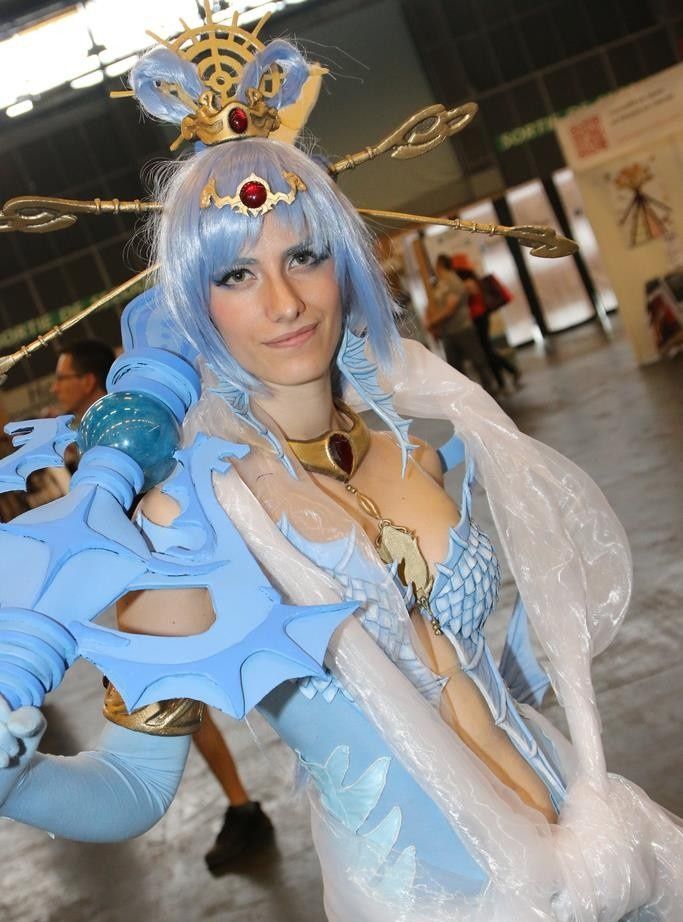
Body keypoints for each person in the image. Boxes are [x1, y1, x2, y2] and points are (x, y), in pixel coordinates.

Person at [0, 32, 680, 922]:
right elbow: (130, 787)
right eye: (237, 274)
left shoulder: (411, 442)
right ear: (194, 304)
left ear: (343, 264)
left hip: (594, 853)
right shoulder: (187, 527)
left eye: (304, 257)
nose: (284, 302)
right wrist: (14, 778)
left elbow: (485, 673)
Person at [52, 339, 275, 871]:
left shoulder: (133, 436)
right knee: (186, 703)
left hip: (171, 586)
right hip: (149, 592)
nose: (55, 388)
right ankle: (243, 806)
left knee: (185, 697)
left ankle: (245, 808)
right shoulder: (94, 438)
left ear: (88, 381)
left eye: (62, 377)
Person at [427, 254, 498, 393]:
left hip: (462, 327)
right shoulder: (441, 283)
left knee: (477, 360)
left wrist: (433, 322)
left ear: (440, 265)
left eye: (436, 265)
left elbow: (450, 308)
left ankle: (490, 390)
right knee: (455, 367)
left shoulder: (453, 281)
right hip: (448, 331)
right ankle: (464, 394)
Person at [452, 260, 521, 393]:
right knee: (487, 351)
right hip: (480, 317)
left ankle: (510, 373)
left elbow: (465, 299)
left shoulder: (467, 283)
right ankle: (505, 377)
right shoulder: (472, 281)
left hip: (479, 318)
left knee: (487, 351)